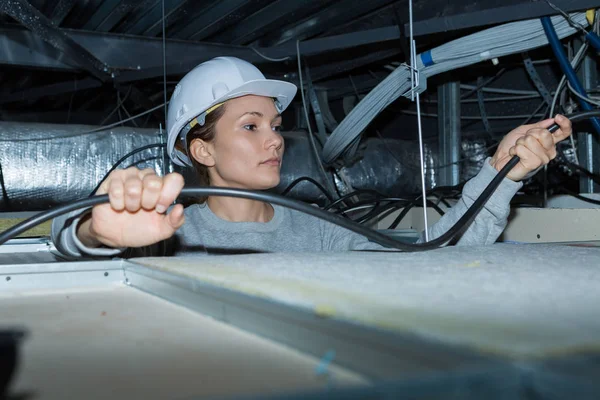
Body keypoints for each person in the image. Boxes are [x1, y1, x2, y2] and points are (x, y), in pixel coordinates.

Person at [51, 57, 572, 258]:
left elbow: (436, 250)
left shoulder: (319, 231)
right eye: (251, 127)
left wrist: (503, 171)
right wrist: (94, 234)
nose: (275, 139)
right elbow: (62, 246)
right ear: (202, 149)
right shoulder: (168, 233)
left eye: (275, 126)